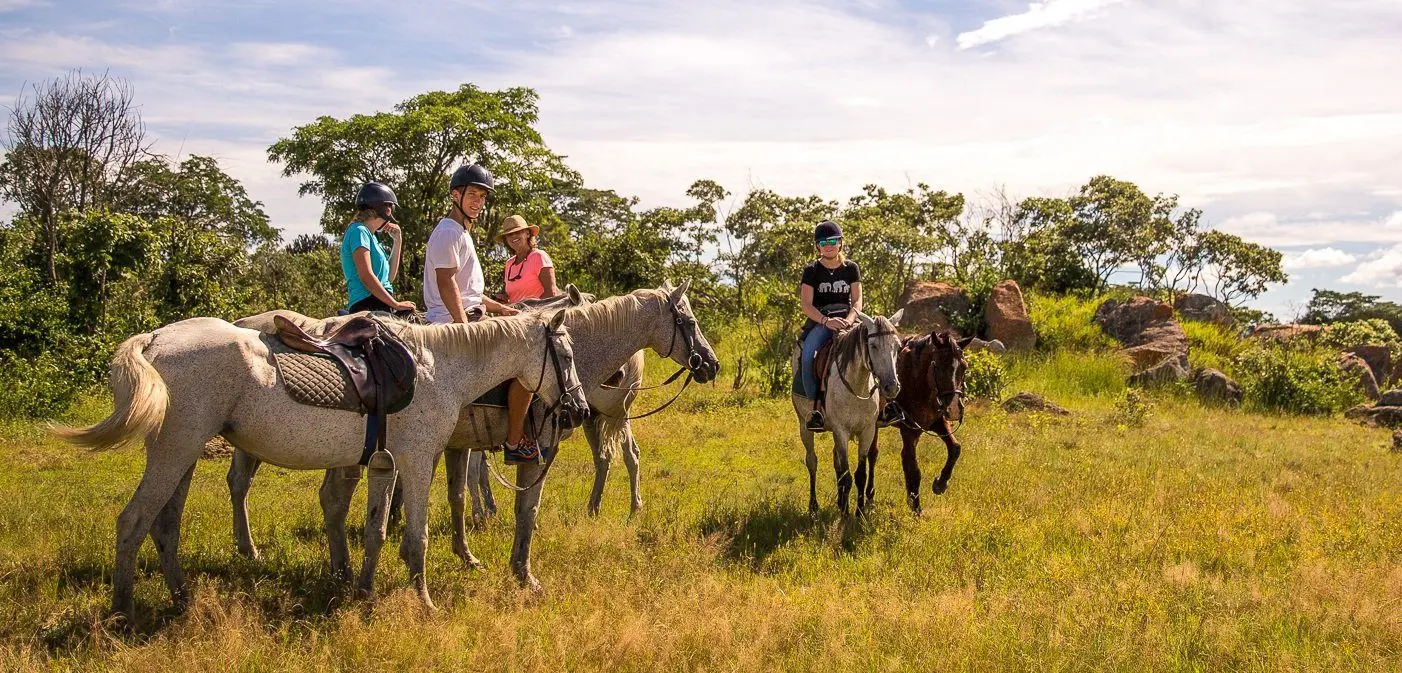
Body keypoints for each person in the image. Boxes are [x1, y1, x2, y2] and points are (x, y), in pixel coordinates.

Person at [423, 164, 540, 465]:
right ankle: (514, 440)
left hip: (468, 315)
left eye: (482, 197)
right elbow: (446, 281)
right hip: (454, 323)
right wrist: (465, 329)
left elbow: (468, 292)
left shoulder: (460, 232)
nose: (478, 202)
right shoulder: (448, 232)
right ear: (455, 195)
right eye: (472, 194)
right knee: (530, 362)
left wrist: (500, 308)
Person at [798, 220, 866, 432]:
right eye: (823, 241)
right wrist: (827, 321)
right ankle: (815, 409)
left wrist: (851, 318)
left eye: (833, 240)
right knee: (808, 356)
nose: (829, 245)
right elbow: (806, 305)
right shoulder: (811, 270)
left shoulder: (851, 268)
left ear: (840, 243)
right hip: (823, 321)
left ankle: (887, 405)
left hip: (848, 320)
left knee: (881, 343)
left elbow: (857, 300)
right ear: (817, 246)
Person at [340, 182, 415, 315]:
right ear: (386, 209)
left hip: (381, 304)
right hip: (367, 306)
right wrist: (396, 304)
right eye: (391, 207)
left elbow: (388, 279)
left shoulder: (373, 237)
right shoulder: (359, 231)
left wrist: (397, 241)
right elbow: (366, 276)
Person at [497, 214, 559, 303]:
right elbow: (514, 296)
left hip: (539, 314)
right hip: (515, 315)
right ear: (506, 239)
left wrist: (527, 310)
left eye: (518, 232)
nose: (513, 236)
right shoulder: (509, 263)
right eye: (509, 234)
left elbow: (551, 293)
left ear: (527, 233)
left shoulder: (539, 256)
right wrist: (504, 299)